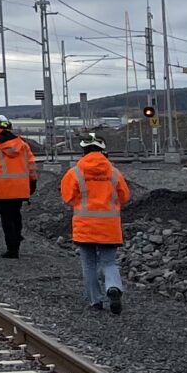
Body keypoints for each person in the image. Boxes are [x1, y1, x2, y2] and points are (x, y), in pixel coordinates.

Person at [58, 134, 131, 313]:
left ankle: (95, 301)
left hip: (85, 226)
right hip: (109, 227)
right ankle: (113, 287)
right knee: (109, 262)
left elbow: (67, 197)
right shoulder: (114, 172)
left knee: (89, 264)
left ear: (83, 150)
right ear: (102, 150)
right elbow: (125, 196)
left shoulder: (75, 172)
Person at [0, 114, 40, 258]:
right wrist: (33, 182)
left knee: (6, 219)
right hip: (20, 187)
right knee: (16, 215)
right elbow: (31, 165)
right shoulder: (23, 144)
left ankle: (12, 249)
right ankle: (17, 240)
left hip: (2, 189)